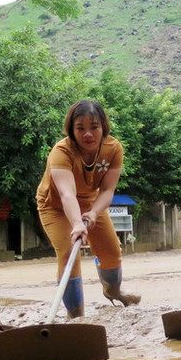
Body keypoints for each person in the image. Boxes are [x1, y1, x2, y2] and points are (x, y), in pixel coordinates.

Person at [36, 100, 139, 318]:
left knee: (111, 252)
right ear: (71, 131)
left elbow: (108, 190)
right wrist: (76, 224)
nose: (88, 134)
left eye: (94, 127)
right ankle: (76, 316)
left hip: (92, 204)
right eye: (80, 128)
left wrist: (93, 213)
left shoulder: (113, 148)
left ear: (103, 126)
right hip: (54, 205)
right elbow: (66, 194)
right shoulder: (61, 151)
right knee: (67, 253)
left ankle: (114, 291)